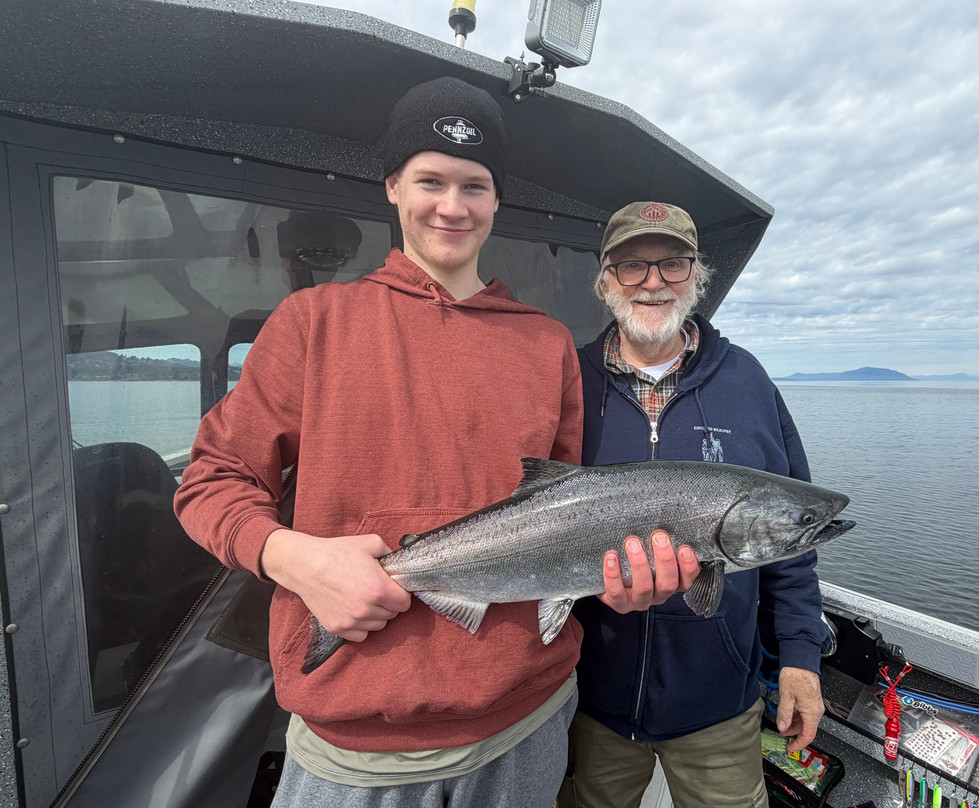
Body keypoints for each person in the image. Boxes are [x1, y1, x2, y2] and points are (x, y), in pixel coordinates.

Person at [174, 79, 688, 808]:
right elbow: (210, 481)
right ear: (391, 186)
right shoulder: (311, 322)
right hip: (353, 746)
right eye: (430, 180)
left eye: (474, 185)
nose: (452, 206)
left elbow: (565, 511)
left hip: (527, 724)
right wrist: (297, 560)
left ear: (496, 199)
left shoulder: (546, 346)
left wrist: (620, 584)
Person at [562, 202, 831, 808]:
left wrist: (800, 658)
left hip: (719, 705)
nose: (653, 282)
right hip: (591, 698)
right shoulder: (566, 382)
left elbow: (791, 543)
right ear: (606, 280)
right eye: (632, 266)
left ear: (697, 275)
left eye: (673, 264)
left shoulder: (749, 382)